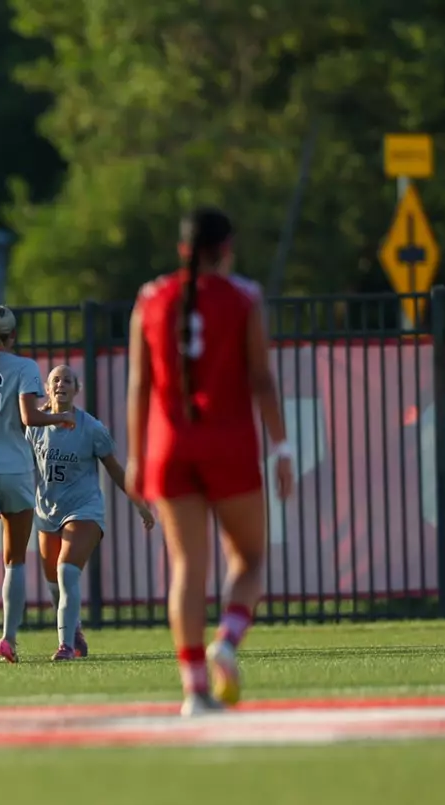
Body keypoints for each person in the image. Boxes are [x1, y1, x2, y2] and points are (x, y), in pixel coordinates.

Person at [127, 206, 295, 714]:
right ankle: (227, 639)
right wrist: (282, 445)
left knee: (186, 568)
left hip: (170, 445)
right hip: (227, 441)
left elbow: (139, 385)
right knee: (249, 557)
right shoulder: (244, 298)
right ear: (226, 247)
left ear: (182, 249)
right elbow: (262, 379)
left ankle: (195, 688)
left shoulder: (151, 299)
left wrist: (135, 457)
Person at [0, 304, 75, 666]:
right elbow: (29, 417)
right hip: (14, 469)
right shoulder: (24, 367)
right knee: (14, 561)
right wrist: (60, 417)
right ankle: (8, 639)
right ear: (13, 335)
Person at [28, 364, 154, 661]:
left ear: (76, 389)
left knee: (66, 571)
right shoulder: (35, 426)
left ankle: (65, 646)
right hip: (47, 511)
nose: (61, 384)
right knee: (53, 584)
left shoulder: (92, 428)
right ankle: (75, 631)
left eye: (67, 380)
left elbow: (114, 469)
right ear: (47, 389)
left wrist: (140, 503)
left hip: (84, 509)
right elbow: (21, 466)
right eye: (55, 380)